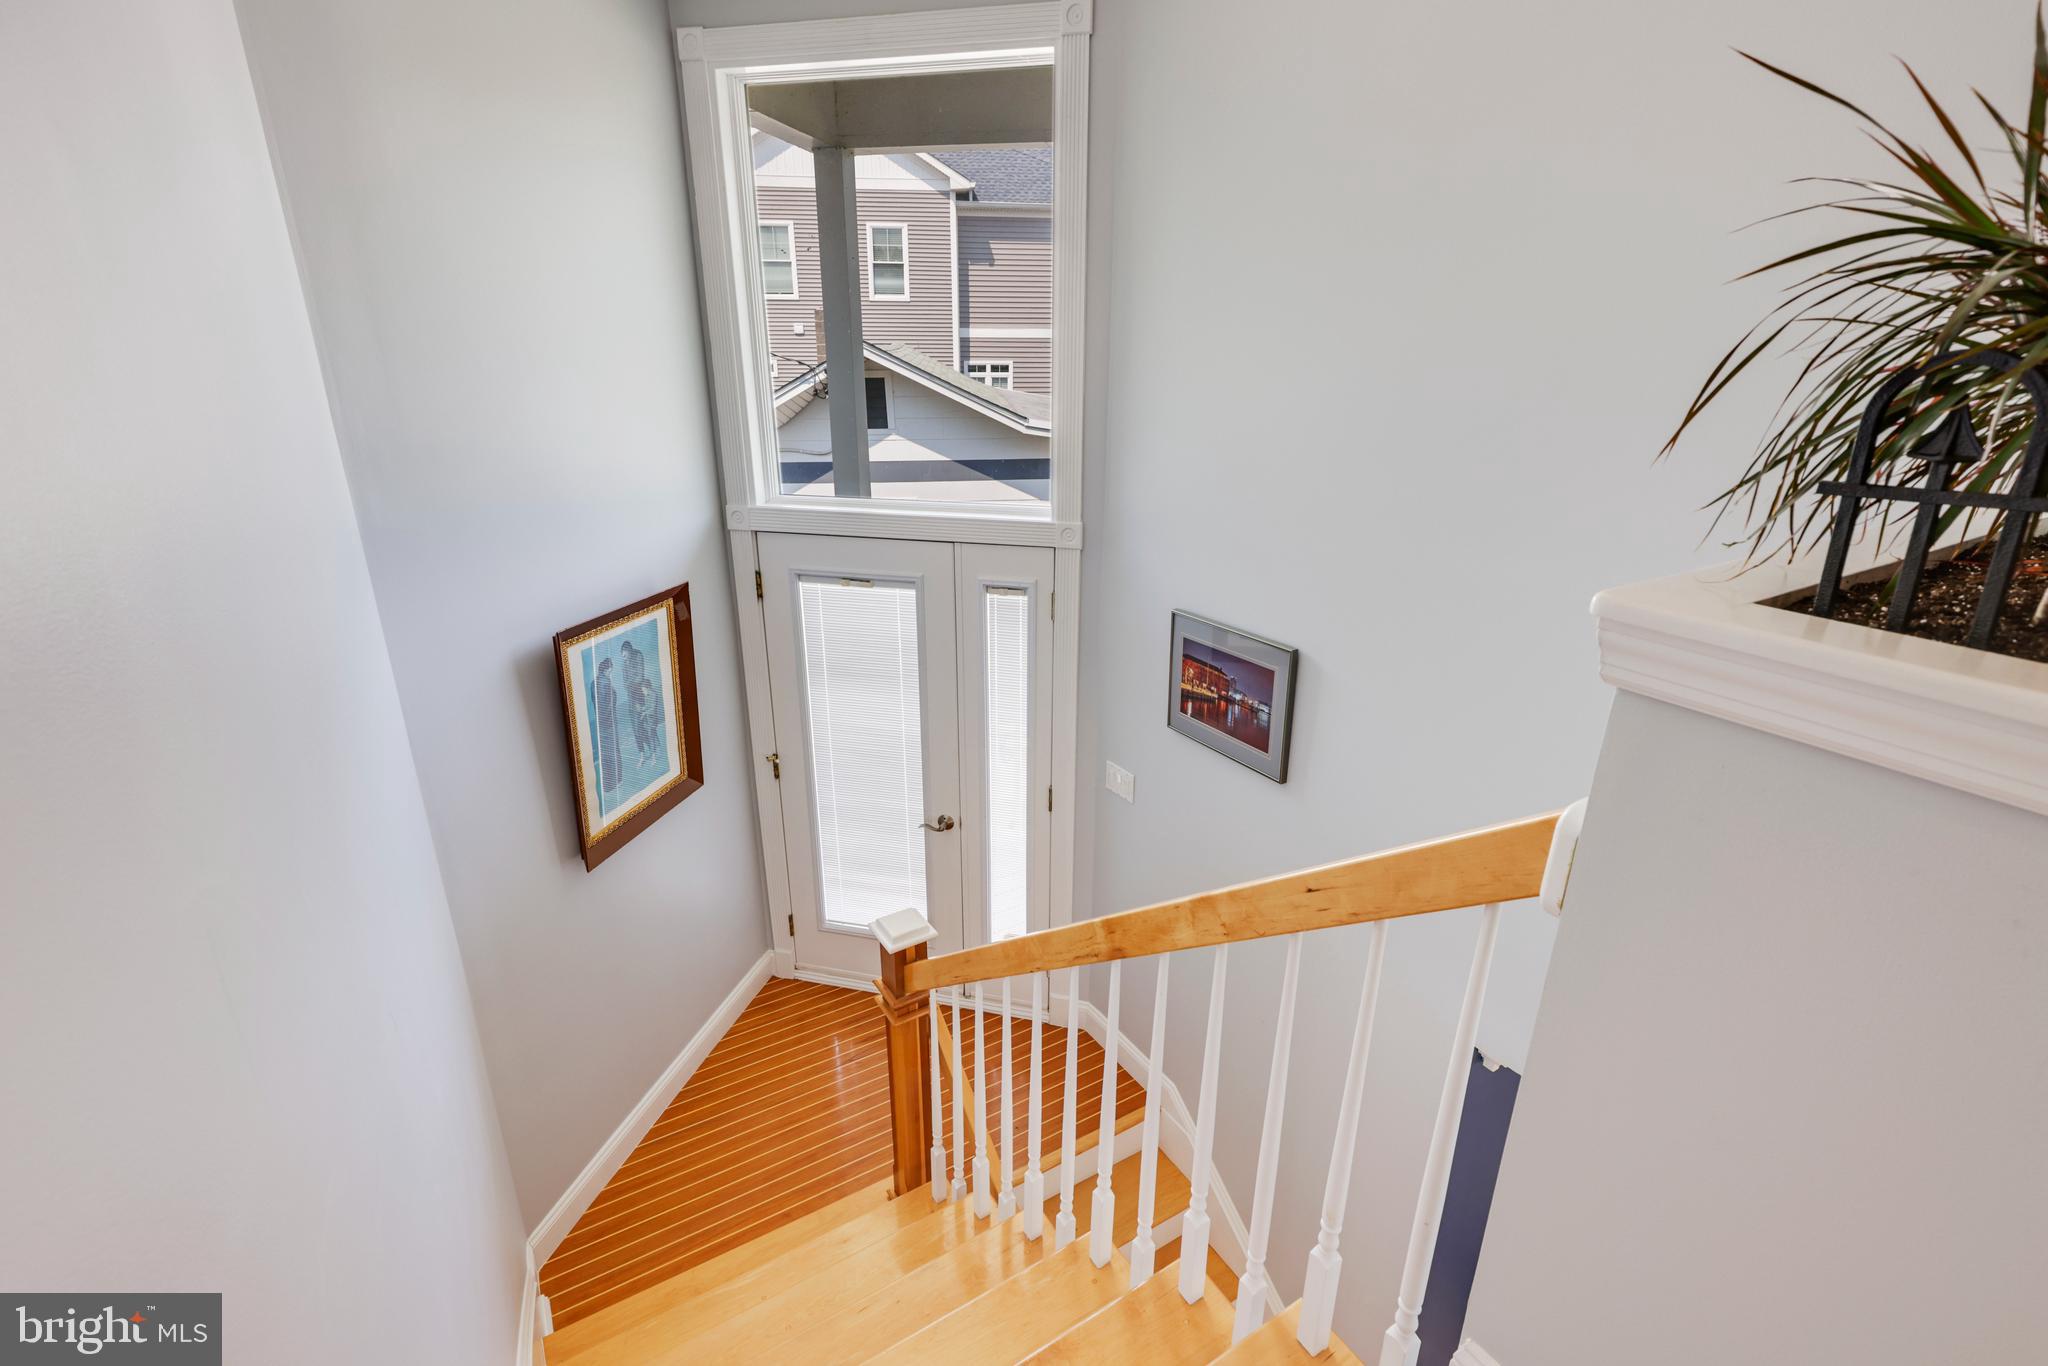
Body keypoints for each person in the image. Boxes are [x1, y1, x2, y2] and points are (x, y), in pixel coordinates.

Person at [620, 637, 656, 759]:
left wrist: (630, 682)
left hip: (641, 694)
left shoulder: (638, 655)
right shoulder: (623, 663)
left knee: (644, 723)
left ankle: (653, 748)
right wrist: (631, 682)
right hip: (631, 696)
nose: (623, 659)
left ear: (629, 651)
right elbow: (624, 684)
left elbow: (640, 677)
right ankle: (642, 752)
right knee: (635, 726)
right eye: (622, 656)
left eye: (625, 656)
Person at [594, 656, 621, 795]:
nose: (611, 671)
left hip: (601, 722)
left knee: (605, 752)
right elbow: (609, 702)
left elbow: (597, 703)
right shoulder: (605, 682)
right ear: (606, 669)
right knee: (612, 750)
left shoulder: (594, 682)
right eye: (611, 669)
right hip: (609, 722)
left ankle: (608, 784)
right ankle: (614, 782)